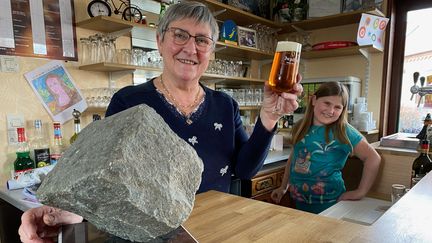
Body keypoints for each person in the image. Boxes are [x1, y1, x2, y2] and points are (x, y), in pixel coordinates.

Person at [18, 1, 303, 242]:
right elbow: (101, 176)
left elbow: (245, 170)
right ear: (160, 40)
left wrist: (269, 117)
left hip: (209, 233)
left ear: (211, 51)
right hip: (141, 236)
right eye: (180, 35)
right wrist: (64, 211)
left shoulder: (225, 105)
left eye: (202, 40)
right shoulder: (128, 101)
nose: (191, 49)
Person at [271, 81, 381, 214]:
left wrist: (360, 192)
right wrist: (284, 186)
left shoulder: (343, 131)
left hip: (330, 203)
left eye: (337, 107)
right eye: (327, 103)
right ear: (314, 100)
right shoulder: (300, 126)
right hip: (299, 200)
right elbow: (293, 158)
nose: (331, 111)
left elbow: (373, 158)